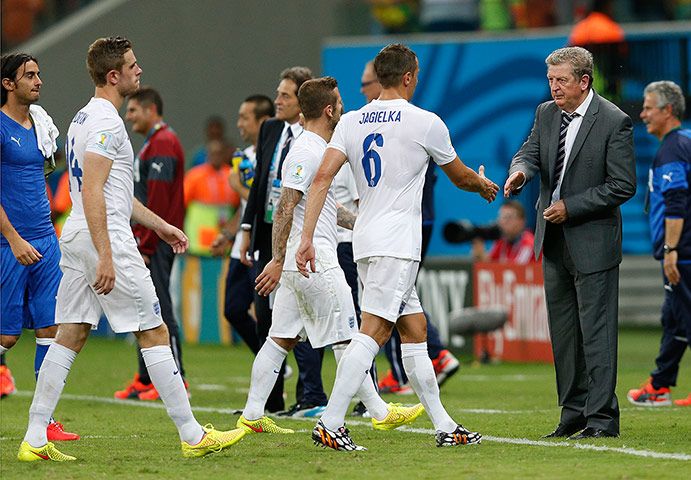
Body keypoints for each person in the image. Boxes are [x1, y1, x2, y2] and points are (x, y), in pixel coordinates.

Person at [17, 36, 244, 462]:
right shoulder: (107, 123)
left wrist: (162, 227)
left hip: (80, 234)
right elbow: (95, 194)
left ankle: (33, 436)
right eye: (133, 65)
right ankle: (193, 435)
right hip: (104, 238)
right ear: (113, 75)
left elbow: (113, 193)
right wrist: (106, 253)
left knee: (71, 332)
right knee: (153, 329)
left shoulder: (84, 118)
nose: (140, 71)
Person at [297, 43, 498, 450]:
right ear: (408, 77)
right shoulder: (425, 122)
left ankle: (444, 426)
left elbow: (320, 181)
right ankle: (331, 422)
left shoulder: (351, 120)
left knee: (415, 328)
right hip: (398, 242)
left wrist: (306, 237)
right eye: (417, 75)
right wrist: (482, 184)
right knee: (374, 330)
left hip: (365, 238)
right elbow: (458, 176)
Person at [236, 76, 424, 439]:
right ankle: (378, 410)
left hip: (299, 258)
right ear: (328, 110)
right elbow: (285, 204)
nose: (343, 107)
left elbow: (322, 207)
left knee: (280, 338)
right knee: (349, 337)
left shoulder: (314, 147)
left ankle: (252, 412)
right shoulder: (308, 151)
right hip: (312, 258)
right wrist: (276, 259)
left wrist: (362, 224)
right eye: (338, 103)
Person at [504, 46, 636, 440]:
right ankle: (573, 413)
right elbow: (530, 152)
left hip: (592, 241)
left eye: (561, 80)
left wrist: (571, 207)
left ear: (584, 80)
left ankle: (602, 419)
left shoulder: (615, 121)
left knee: (596, 333)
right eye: (550, 80)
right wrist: (520, 172)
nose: (554, 87)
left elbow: (622, 185)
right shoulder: (546, 113)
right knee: (564, 335)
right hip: (554, 239)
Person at [356, 60, 460, 397]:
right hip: (392, 232)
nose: (362, 90)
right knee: (399, 306)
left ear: (382, 81)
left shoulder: (357, 124)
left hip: (396, 230)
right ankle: (435, 361)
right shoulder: (415, 122)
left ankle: (332, 417)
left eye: (366, 83)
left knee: (375, 325)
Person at [1, 52, 78, 442]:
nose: (38, 80)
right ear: (8, 84)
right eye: (28, 75)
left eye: (38, 74)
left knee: (52, 328)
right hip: (7, 243)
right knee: (7, 337)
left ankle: (44, 422)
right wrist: (13, 239)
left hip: (46, 240)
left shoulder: (41, 125)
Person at [240, 66, 326, 415]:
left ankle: (310, 397)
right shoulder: (271, 130)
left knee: (309, 325)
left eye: (285, 95)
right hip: (271, 236)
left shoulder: (314, 140)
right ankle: (270, 404)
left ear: (303, 100)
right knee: (270, 321)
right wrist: (247, 229)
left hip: (302, 241)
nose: (277, 100)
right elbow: (261, 182)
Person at [113, 86, 187, 401]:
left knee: (160, 309)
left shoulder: (164, 143)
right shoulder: (154, 143)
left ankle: (176, 377)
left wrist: (145, 243)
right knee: (144, 307)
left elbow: (156, 200)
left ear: (151, 109)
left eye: (133, 111)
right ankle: (146, 378)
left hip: (155, 244)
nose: (128, 116)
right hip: (149, 242)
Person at [627, 81, 691, 407]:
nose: (643, 114)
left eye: (649, 107)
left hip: (684, 254)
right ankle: (660, 384)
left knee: (685, 316)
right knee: (675, 318)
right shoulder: (685, 140)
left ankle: (660, 384)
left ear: (667, 111)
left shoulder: (672, 149)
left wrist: (670, 249)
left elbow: (677, 202)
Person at [210, 94, 274, 353]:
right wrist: (227, 234)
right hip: (241, 245)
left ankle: (275, 376)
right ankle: (271, 365)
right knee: (233, 310)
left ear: (264, 121)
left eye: (245, 118)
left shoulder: (275, 156)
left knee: (267, 317)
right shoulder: (245, 156)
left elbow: (272, 203)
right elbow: (246, 208)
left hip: (263, 245)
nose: (239, 124)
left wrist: (239, 187)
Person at [183, 139, 240, 256]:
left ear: (224, 154)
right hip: (199, 233)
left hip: (223, 230)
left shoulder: (231, 174)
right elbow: (182, 202)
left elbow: (238, 202)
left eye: (219, 153)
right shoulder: (195, 175)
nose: (216, 157)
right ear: (208, 154)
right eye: (213, 153)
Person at [471, 200, 535, 264]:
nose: (503, 222)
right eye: (501, 217)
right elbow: (491, 264)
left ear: (522, 221)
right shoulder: (502, 242)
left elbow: (517, 270)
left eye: (508, 217)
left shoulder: (530, 244)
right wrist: (480, 255)